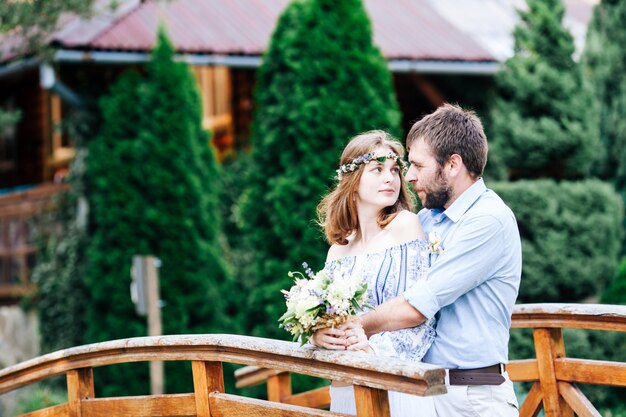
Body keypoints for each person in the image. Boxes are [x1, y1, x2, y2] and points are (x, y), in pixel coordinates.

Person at [342, 104, 522, 416]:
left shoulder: (488, 220)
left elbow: (416, 304)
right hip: (424, 391)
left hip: (474, 398)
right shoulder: (425, 220)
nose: (408, 176)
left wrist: (358, 326)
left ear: (453, 164)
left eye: (416, 165)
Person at [309, 130, 437, 417]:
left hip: (394, 385)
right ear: (353, 182)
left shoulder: (405, 226)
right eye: (377, 170)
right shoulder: (337, 251)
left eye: (394, 170)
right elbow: (324, 318)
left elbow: (420, 315)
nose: (390, 178)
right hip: (343, 388)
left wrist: (370, 351)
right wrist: (317, 336)